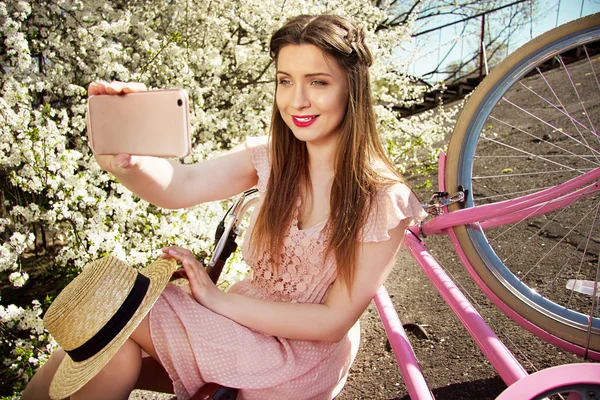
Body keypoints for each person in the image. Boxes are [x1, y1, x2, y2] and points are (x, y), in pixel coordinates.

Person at [22, 14, 427, 400]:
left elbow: (332, 323)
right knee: (86, 352)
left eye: (318, 82)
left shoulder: (382, 198)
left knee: (109, 318)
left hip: (293, 360)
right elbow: (182, 185)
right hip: (237, 325)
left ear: (352, 87)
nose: (297, 100)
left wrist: (215, 300)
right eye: (285, 81)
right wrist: (126, 161)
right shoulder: (273, 159)